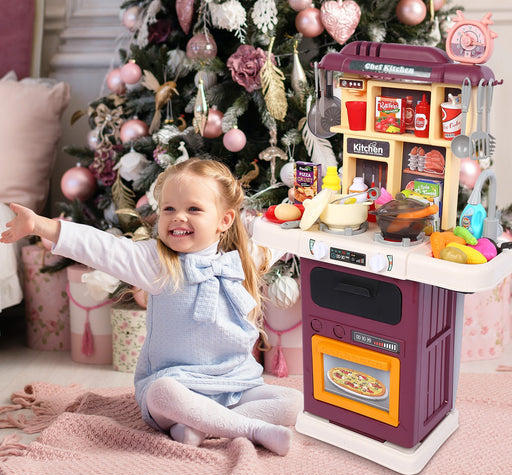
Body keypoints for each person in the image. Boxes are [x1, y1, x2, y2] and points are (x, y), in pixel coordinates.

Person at [1, 158, 303, 455]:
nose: (178, 217)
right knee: (161, 393)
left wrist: (304, 207)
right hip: (178, 385)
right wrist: (39, 225)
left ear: (224, 220)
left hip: (235, 384)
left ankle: (201, 426)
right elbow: (102, 248)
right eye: (169, 209)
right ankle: (251, 429)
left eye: (193, 209)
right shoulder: (157, 262)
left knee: (294, 401)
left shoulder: (242, 261)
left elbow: (281, 235)